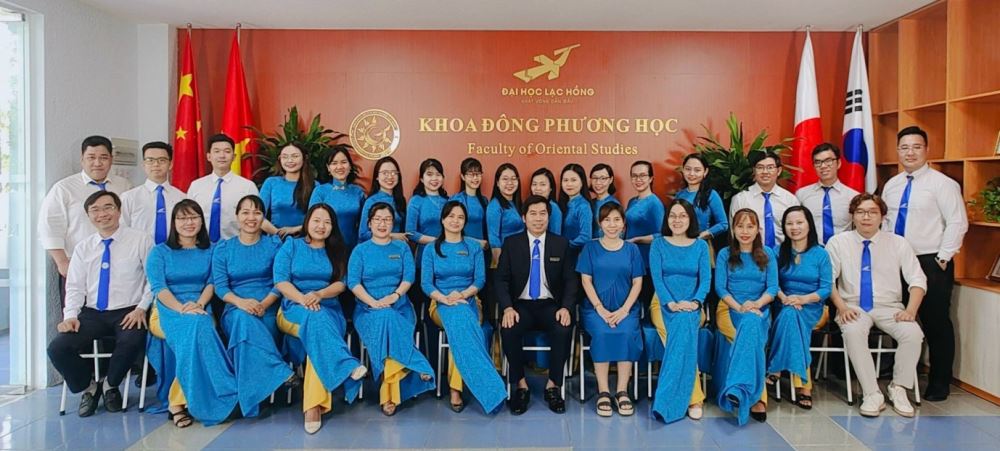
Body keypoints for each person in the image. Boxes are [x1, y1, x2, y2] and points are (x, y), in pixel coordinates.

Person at [47, 191, 151, 417]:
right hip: (93, 313)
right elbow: (75, 287)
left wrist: (141, 308)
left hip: (129, 311)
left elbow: (152, 280)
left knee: (131, 341)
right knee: (58, 348)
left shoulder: (140, 240)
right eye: (95, 210)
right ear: (88, 216)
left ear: (118, 211)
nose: (102, 214)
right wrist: (70, 316)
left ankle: (110, 386)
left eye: (108, 207)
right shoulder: (83, 247)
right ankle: (90, 387)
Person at [882, 126, 968, 401]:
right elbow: (886, 222)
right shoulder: (892, 185)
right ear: (898, 151)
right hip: (897, 259)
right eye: (904, 147)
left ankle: (939, 382)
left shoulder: (943, 184)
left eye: (916, 147)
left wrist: (943, 257)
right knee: (900, 317)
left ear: (926, 150)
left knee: (935, 321)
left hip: (930, 260)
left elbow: (957, 222)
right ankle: (904, 373)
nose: (910, 152)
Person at [827, 193, 926, 417]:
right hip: (852, 306)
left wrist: (910, 311)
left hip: (890, 307)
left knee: (913, 333)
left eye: (872, 212)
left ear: (882, 216)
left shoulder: (898, 243)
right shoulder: (838, 242)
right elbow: (828, 281)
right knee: (853, 331)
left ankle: (898, 388)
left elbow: (918, 280)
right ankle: (871, 393)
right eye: (860, 212)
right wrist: (841, 307)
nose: (866, 217)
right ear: (852, 216)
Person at [275, 204, 367, 433]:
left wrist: (319, 294)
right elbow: (281, 281)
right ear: (307, 222)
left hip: (329, 309)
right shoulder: (291, 246)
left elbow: (341, 284)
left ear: (333, 227)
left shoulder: (337, 251)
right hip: (292, 309)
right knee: (315, 324)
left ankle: (313, 407)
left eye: (327, 222)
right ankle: (345, 366)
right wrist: (303, 299)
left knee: (317, 329)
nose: (321, 226)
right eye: (316, 220)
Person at [146, 200, 238, 427]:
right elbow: (159, 288)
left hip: (200, 305)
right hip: (167, 309)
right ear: (173, 222)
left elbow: (212, 283)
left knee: (199, 327)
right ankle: (225, 390)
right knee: (196, 328)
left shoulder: (213, 250)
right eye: (182, 218)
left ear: (201, 221)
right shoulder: (159, 252)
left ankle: (177, 403)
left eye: (194, 217)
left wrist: (198, 305)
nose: (189, 222)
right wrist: (182, 309)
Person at [349, 202, 435, 416]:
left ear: (393, 224)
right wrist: (372, 302)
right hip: (367, 309)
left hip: (400, 307)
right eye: (377, 219)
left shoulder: (401, 248)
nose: (382, 223)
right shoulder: (360, 250)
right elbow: (353, 282)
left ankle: (387, 397)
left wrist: (395, 296)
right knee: (386, 320)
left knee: (388, 325)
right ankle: (415, 362)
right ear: (369, 223)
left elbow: (408, 277)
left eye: (387, 219)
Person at [212, 195, 293, 419]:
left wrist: (264, 303)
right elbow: (221, 287)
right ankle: (278, 371)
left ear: (263, 217)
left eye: (257, 213)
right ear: (237, 216)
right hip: (235, 307)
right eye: (245, 212)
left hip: (268, 307)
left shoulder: (274, 245)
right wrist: (241, 302)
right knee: (242, 320)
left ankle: (249, 400)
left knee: (246, 332)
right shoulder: (223, 248)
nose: (251, 217)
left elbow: (281, 281)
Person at [496, 195, 578, 415]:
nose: (538, 218)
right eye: (533, 214)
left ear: (549, 217)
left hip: (550, 305)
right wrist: (507, 308)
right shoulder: (512, 243)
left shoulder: (561, 244)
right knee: (509, 329)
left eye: (543, 214)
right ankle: (521, 386)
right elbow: (501, 280)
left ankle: (553, 385)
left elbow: (571, 280)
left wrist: (566, 308)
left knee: (563, 328)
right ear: (524, 218)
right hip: (520, 306)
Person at [422, 201, 505, 414]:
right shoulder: (431, 249)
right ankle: (486, 388)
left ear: (465, 221)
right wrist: (444, 298)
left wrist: (462, 295)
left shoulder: (473, 247)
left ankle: (456, 388)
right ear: (442, 220)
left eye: (460, 217)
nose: (455, 221)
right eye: (451, 216)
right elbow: (426, 284)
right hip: (439, 303)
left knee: (459, 329)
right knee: (460, 324)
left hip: (470, 301)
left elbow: (480, 280)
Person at [576, 203, 643, 417]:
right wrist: (600, 309)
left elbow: (638, 282)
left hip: (626, 309)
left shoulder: (632, 250)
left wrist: (624, 310)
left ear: (623, 224)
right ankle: (604, 391)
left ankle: (622, 390)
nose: (612, 225)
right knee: (603, 332)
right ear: (600, 223)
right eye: (607, 220)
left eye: (616, 220)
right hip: (595, 309)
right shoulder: (590, 248)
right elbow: (585, 280)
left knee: (626, 333)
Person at [649, 199, 711, 423]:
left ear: (690, 219)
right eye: (672, 215)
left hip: (693, 305)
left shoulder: (700, 246)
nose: (677, 220)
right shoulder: (658, 244)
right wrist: (671, 304)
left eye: (682, 215)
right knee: (682, 338)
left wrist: (695, 302)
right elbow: (657, 279)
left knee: (683, 330)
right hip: (663, 304)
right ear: (667, 219)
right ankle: (695, 398)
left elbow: (705, 281)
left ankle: (667, 403)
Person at [714, 208, 778, 425]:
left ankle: (737, 390)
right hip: (730, 308)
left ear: (758, 229)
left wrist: (756, 304)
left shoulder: (767, 254)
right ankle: (756, 397)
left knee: (751, 328)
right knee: (751, 336)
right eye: (740, 226)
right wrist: (741, 307)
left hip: (760, 309)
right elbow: (721, 288)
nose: (745, 231)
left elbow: (772, 287)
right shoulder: (725, 254)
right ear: (733, 229)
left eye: (750, 226)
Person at [39, 135, 134, 279]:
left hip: (119, 264)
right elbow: (50, 226)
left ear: (111, 159)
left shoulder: (124, 185)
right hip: (79, 264)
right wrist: (62, 262)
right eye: (91, 157)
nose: (97, 163)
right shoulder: (64, 188)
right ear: (82, 159)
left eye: (103, 158)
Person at [767, 206, 832, 410]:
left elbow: (826, 289)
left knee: (792, 316)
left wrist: (803, 299)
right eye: (789, 223)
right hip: (784, 303)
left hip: (812, 306)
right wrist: (785, 298)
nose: (794, 227)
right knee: (790, 315)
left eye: (799, 222)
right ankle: (804, 386)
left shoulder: (821, 254)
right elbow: (772, 283)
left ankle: (775, 369)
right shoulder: (778, 252)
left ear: (809, 225)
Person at [187, 134, 260, 243]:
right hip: (201, 246)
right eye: (217, 151)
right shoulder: (196, 186)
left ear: (234, 156)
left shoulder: (247, 187)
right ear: (208, 156)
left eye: (227, 151)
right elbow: (187, 217)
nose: (222, 155)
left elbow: (255, 220)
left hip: (235, 245)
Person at [729, 151, 799, 248]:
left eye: (770, 167)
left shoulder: (790, 200)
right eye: (760, 167)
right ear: (754, 171)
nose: (765, 172)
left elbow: (797, 231)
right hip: (752, 253)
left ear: (779, 171)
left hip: (784, 253)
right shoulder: (740, 199)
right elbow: (734, 233)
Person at [120, 141, 186, 244]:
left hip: (173, 251)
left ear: (170, 164)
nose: (156, 164)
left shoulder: (182, 198)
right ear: (143, 164)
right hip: (140, 251)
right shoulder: (129, 197)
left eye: (162, 160)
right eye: (150, 160)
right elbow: (122, 230)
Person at [406, 158, 449, 318]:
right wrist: (436, 241)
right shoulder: (416, 201)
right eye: (429, 174)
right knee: (422, 302)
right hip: (423, 256)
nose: (434, 178)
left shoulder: (449, 201)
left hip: (447, 257)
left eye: (438, 174)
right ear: (422, 179)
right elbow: (410, 233)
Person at [795, 143, 861, 244]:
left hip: (843, 249)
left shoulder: (853, 196)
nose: (823, 166)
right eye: (818, 162)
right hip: (813, 249)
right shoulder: (802, 195)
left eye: (828, 161)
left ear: (838, 163)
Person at [309, 145, 366, 251]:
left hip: (354, 248)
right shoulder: (320, 191)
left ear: (350, 166)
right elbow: (312, 222)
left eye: (343, 162)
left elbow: (364, 223)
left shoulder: (358, 192)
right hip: (326, 248)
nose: (339, 167)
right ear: (328, 168)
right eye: (334, 163)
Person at [624, 161, 665, 309]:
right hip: (631, 257)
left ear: (651, 178)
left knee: (647, 302)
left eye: (642, 175)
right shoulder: (632, 201)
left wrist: (638, 239)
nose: (638, 179)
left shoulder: (654, 203)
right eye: (634, 176)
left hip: (647, 260)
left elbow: (663, 235)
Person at [260, 143, 317, 238]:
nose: (290, 160)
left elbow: (317, 219)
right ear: (280, 159)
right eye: (285, 157)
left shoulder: (315, 185)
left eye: (295, 156)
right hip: (275, 240)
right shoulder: (271, 183)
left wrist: (294, 230)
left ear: (304, 158)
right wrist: (278, 233)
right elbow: (258, 215)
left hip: (304, 240)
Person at [674, 153, 728, 244]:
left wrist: (702, 236)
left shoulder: (711, 195)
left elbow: (723, 224)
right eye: (688, 169)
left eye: (697, 170)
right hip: (680, 243)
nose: (691, 174)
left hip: (700, 244)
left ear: (705, 172)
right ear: (683, 170)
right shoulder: (679, 195)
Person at [358, 156, 407, 243]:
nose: (390, 176)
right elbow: (363, 234)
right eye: (385, 173)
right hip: (377, 247)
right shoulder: (371, 201)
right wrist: (392, 235)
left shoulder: (400, 200)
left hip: (397, 247)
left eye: (394, 173)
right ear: (377, 177)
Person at [486, 163, 525, 267]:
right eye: (505, 179)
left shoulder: (518, 204)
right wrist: (499, 266)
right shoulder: (494, 205)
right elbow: (493, 238)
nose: (510, 183)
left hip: (521, 256)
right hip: (506, 258)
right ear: (497, 183)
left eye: (513, 179)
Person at [449, 157, 489, 249]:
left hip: (480, 250)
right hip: (461, 248)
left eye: (478, 174)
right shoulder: (456, 199)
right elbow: (450, 229)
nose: (475, 178)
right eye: (471, 174)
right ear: (463, 177)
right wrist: (477, 242)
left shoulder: (484, 200)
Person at [558, 163, 593, 252]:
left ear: (582, 182)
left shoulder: (583, 206)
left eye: (573, 180)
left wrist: (564, 246)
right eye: (565, 180)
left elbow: (585, 237)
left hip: (575, 253)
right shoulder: (563, 203)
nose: (569, 184)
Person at [589, 163, 619, 238]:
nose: (598, 182)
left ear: (611, 180)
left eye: (603, 178)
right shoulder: (589, 203)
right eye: (595, 178)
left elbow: (618, 234)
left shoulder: (613, 204)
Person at [530, 168, 562, 235]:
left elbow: (555, 236)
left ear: (550, 188)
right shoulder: (529, 205)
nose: (538, 188)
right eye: (534, 184)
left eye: (542, 184)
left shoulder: (554, 208)